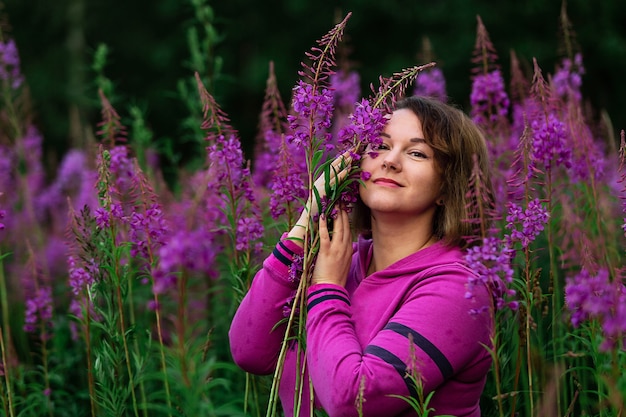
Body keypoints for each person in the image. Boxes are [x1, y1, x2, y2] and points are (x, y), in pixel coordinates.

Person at [229, 95, 495, 417]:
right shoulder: (342, 261)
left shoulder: (458, 288)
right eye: (380, 146)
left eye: (416, 153)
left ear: (446, 188)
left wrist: (326, 288)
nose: (390, 161)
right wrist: (306, 221)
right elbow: (250, 352)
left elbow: (353, 401)